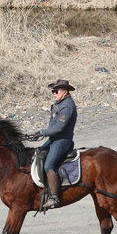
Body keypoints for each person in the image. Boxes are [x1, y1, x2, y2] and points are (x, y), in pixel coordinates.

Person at [32, 79, 78, 209]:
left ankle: (54, 197)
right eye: (53, 91)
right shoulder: (61, 103)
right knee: (38, 153)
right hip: (54, 139)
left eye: (56, 91)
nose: (53, 93)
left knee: (49, 166)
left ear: (65, 91)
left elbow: (59, 128)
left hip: (62, 141)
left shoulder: (67, 106)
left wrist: (42, 132)